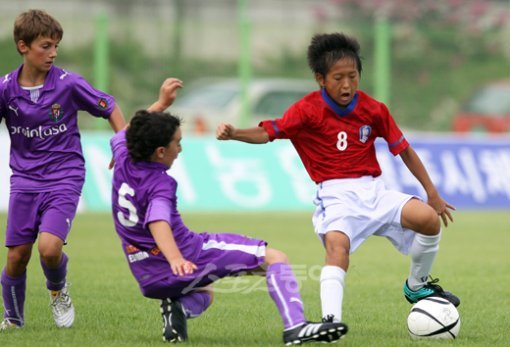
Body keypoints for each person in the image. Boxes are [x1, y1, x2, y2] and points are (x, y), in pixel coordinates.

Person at [216, 32, 460, 327]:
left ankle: (417, 286)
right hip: (335, 195)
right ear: (321, 79)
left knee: (429, 221)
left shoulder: (374, 109)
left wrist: (431, 193)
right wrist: (235, 134)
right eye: (338, 78)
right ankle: (331, 321)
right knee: (337, 248)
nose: (347, 85)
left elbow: (404, 150)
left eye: (353, 76)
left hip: (373, 190)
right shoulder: (306, 110)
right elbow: (269, 132)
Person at [110, 77, 348, 344]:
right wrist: (176, 259)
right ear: (160, 151)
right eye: (177, 143)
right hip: (187, 256)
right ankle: (296, 327)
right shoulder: (161, 184)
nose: (181, 148)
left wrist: (161, 103)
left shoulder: (123, 156)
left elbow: (125, 132)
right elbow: (158, 221)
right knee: (275, 258)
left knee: (205, 290)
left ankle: (179, 309)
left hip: (147, 275)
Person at [0, 9, 126, 330]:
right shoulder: (5, 89)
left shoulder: (69, 85)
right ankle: (13, 320)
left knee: (49, 248)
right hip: (24, 180)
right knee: (17, 257)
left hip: (64, 176)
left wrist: (122, 145)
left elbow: (109, 106)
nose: (53, 53)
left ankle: (57, 290)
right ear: (23, 46)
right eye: (46, 46)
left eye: (56, 46)